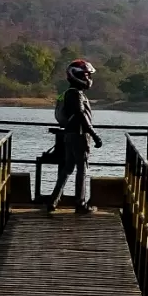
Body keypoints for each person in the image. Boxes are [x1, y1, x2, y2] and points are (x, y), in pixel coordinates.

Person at [46, 58, 103, 215]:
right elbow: (80, 114)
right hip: (79, 135)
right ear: (76, 76)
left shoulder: (70, 93)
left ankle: (53, 201)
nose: (88, 79)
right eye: (86, 75)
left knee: (68, 169)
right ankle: (81, 203)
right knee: (81, 169)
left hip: (69, 135)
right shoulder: (76, 94)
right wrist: (94, 134)